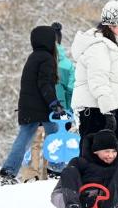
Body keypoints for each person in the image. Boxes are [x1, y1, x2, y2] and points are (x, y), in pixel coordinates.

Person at [71, 0, 118, 184]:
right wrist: (109, 112)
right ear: (111, 25)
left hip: (104, 107)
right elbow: (98, 81)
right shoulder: (99, 47)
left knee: (112, 153)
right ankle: (95, 196)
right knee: (99, 155)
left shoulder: (108, 45)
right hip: (97, 110)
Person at [0, 25, 66, 185]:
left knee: (24, 139)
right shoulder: (47, 59)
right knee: (55, 135)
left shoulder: (34, 56)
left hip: (29, 107)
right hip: (42, 107)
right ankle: (56, 170)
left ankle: (8, 172)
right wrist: (54, 104)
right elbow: (45, 84)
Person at [19, 22, 77, 182]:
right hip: (60, 111)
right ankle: (51, 173)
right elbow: (71, 89)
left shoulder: (35, 58)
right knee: (55, 142)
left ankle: (30, 175)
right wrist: (70, 111)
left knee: (34, 142)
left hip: (37, 107)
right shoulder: (67, 65)